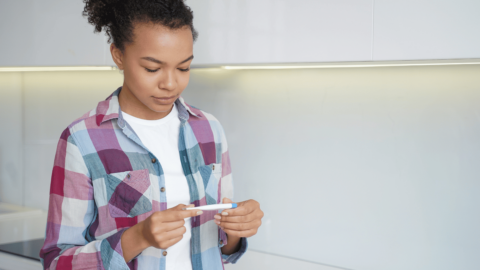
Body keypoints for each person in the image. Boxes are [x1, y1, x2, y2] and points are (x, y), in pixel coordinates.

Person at [39, 0, 264, 269]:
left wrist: (237, 229)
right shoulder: (82, 140)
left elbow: (224, 248)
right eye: (152, 68)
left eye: (183, 68)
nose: (170, 83)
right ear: (118, 55)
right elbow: (56, 261)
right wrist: (138, 237)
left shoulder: (209, 129)